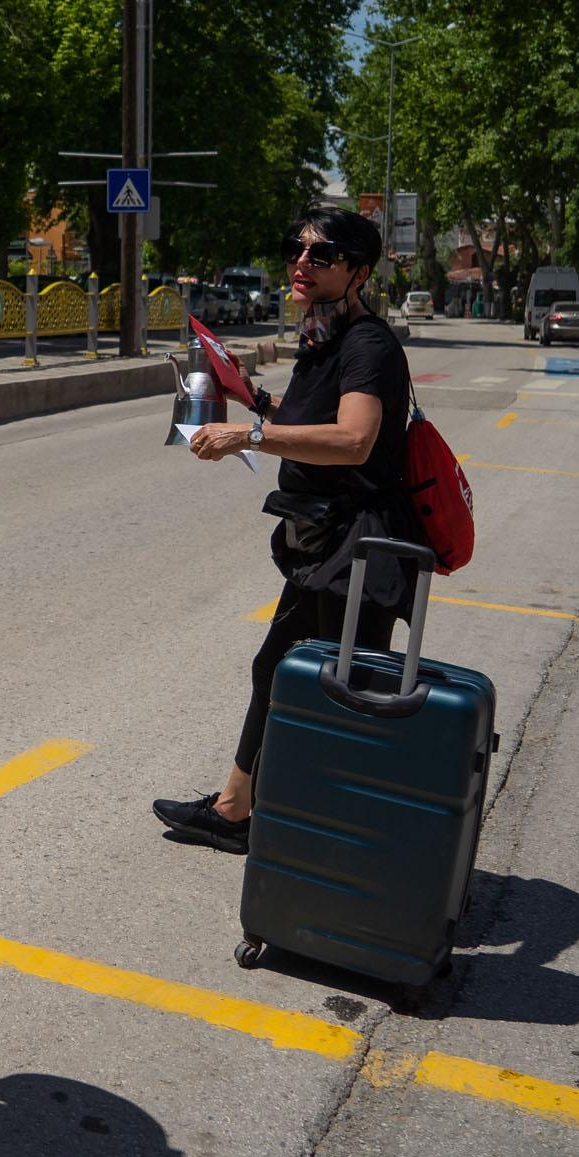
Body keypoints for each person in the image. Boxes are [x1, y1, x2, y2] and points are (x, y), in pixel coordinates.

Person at [152, 207, 420, 854]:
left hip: (357, 549)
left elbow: (354, 440)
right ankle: (236, 808)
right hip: (321, 543)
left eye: (321, 255)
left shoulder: (366, 344)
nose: (302, 264)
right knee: (276, 666)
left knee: (340, 695)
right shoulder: (324, 337)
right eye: (295, 251)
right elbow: (307, 419)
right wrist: (251, 396)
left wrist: (249, 434)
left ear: (357, 271)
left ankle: (342, 839)